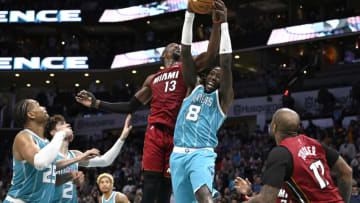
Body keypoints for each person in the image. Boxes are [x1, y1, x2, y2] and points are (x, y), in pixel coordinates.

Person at [75, 4, 223, 203]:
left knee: (165, 188)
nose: (176, 46)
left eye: (177, 45)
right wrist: (96, 103)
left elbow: (211, 54)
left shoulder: (187, 67)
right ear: (164, 55)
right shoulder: (152, 79)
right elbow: (129, 106)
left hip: (179, 135)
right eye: (172, 46)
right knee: (151, 186)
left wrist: (217, 23)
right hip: (155, 132)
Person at [169, 1, 233, 202]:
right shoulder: (193, 86)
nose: (215, 77)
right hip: (177, 154)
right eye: (212, 74)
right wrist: (189, 16)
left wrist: (223, 24)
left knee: (204, 196)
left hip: (201, 153)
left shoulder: (223, 99)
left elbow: (226, 62)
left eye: (219, 77)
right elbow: (186, 53)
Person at [234, 108, 352, 203]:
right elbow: (346, 172)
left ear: (274, 127)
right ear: (298, 127)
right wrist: (249, 194)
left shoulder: (281, 153)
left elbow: (267, 199)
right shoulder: (315, 144)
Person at [46, 114, 133, 203]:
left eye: (66, 123)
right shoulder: (47, 153)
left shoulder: (75, 154)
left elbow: (105, 161)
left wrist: (122, 138)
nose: (68, 125)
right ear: (53, 132)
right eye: (61, 124)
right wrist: (79, 159)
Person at [3, 99, 78, 203]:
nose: (44, 108)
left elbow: (47, 175)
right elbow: (40, 162)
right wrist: (61, 134)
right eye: (38, 106)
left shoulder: (46, 144)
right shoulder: (24, 136)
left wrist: (69, 176)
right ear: (31, 115)